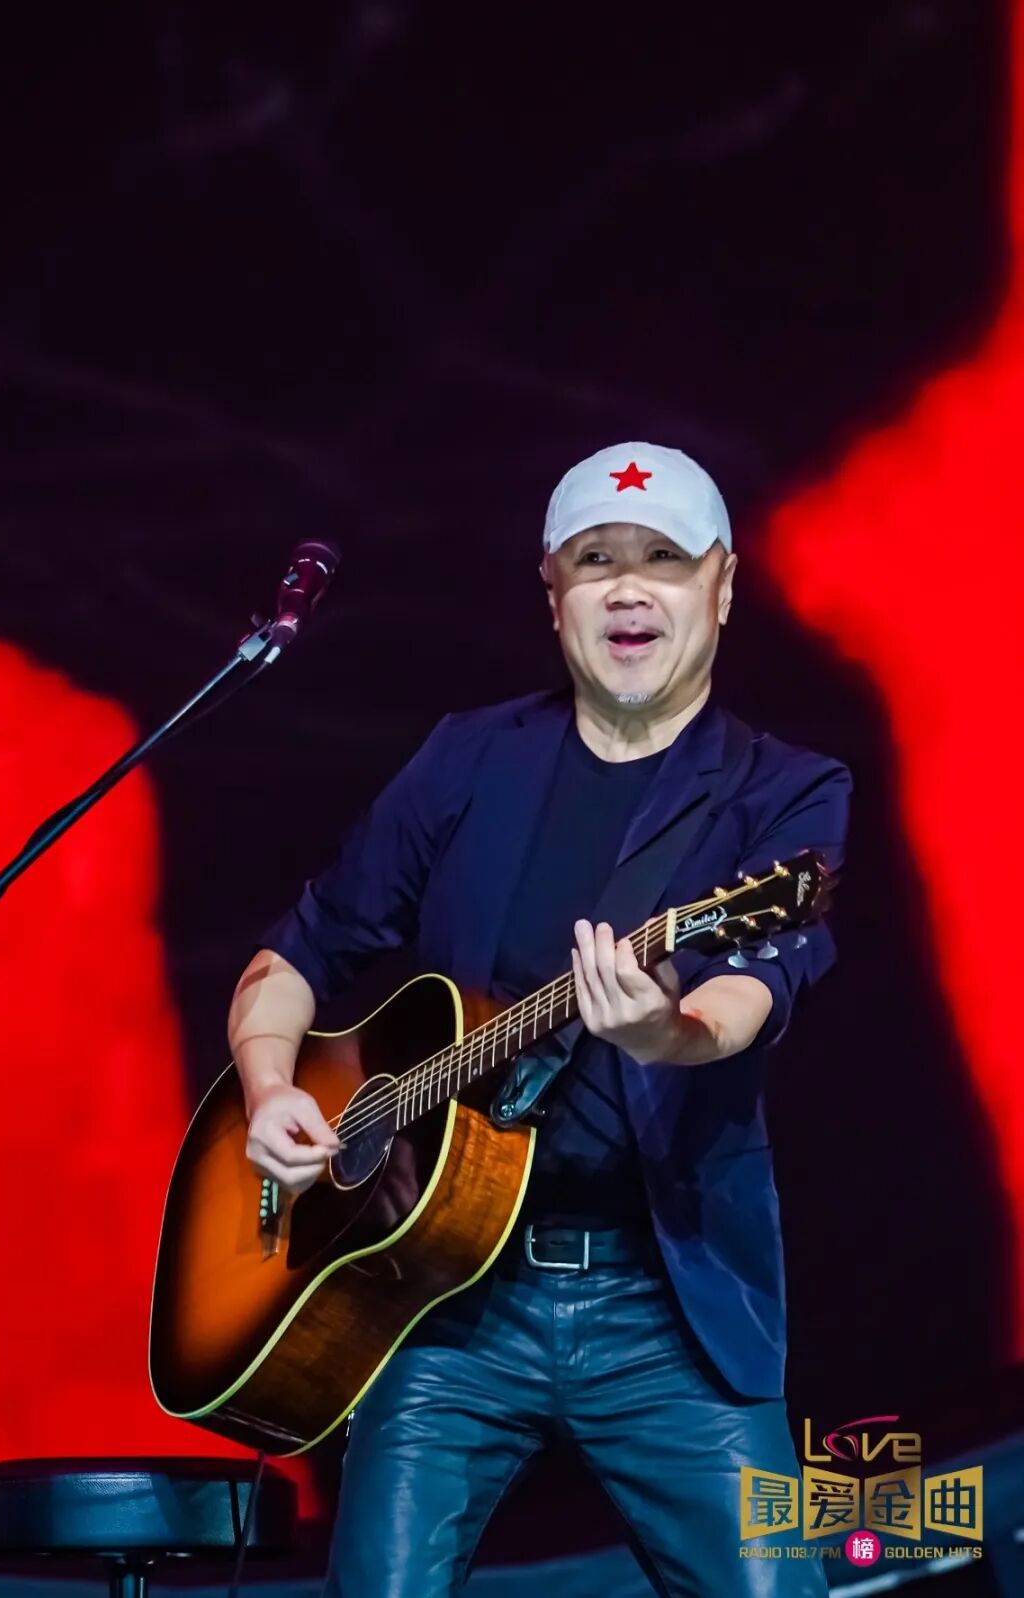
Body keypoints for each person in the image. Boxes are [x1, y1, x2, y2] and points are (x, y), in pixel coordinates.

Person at [227, 441, 851, 1597]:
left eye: (663, 559)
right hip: (443, 1300)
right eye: (596, 559)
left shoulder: (785, 789)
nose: (628, 587)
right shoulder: (468, 758)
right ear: (552, 592)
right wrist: (269, 1088)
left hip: (665, 1309)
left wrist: (662, 1033)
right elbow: (296, 953)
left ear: (721, 586)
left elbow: (750, 995)